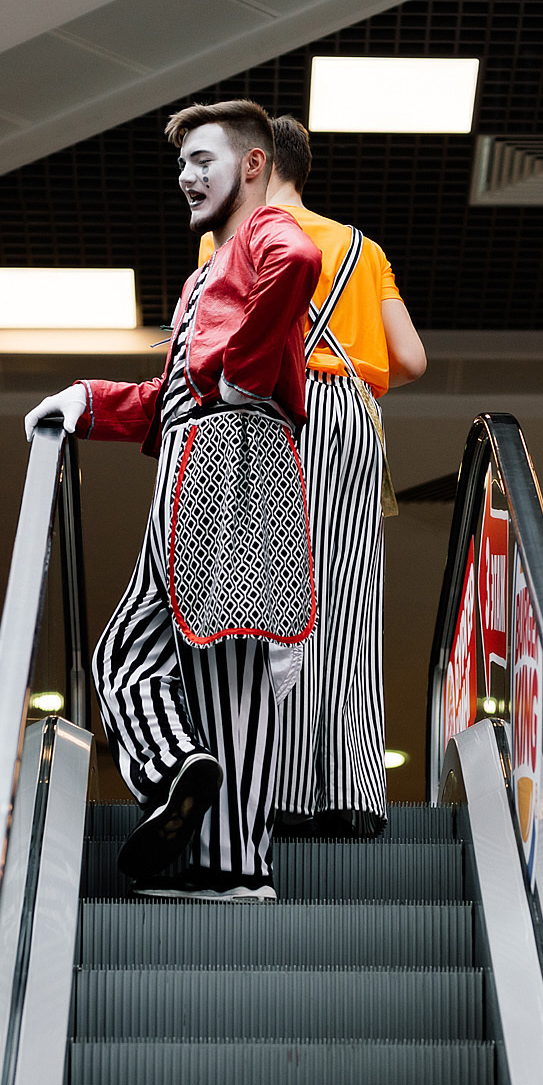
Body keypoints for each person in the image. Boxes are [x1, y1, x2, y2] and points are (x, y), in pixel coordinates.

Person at [24, 99, 321, 901]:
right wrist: (89, 399)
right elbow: (170, 395)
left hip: (229, 455)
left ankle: (214, 835)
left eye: (203, 160)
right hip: (205, 457)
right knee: (174, 659)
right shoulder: (211, 267)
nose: (185, 177)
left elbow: (298, 263)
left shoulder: (260, 234)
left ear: (253, 166)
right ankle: (195, 799)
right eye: (182, 163)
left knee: (189, 657)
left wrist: (242, 373)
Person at [200, 114, 425, 837]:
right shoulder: (363, 246)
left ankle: (283, 790)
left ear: (257, 166)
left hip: (278, 410)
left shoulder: (232, 238)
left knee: (275, 601)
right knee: (350, 604)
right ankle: (354, 792)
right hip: (355, 418)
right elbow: (412, 359)